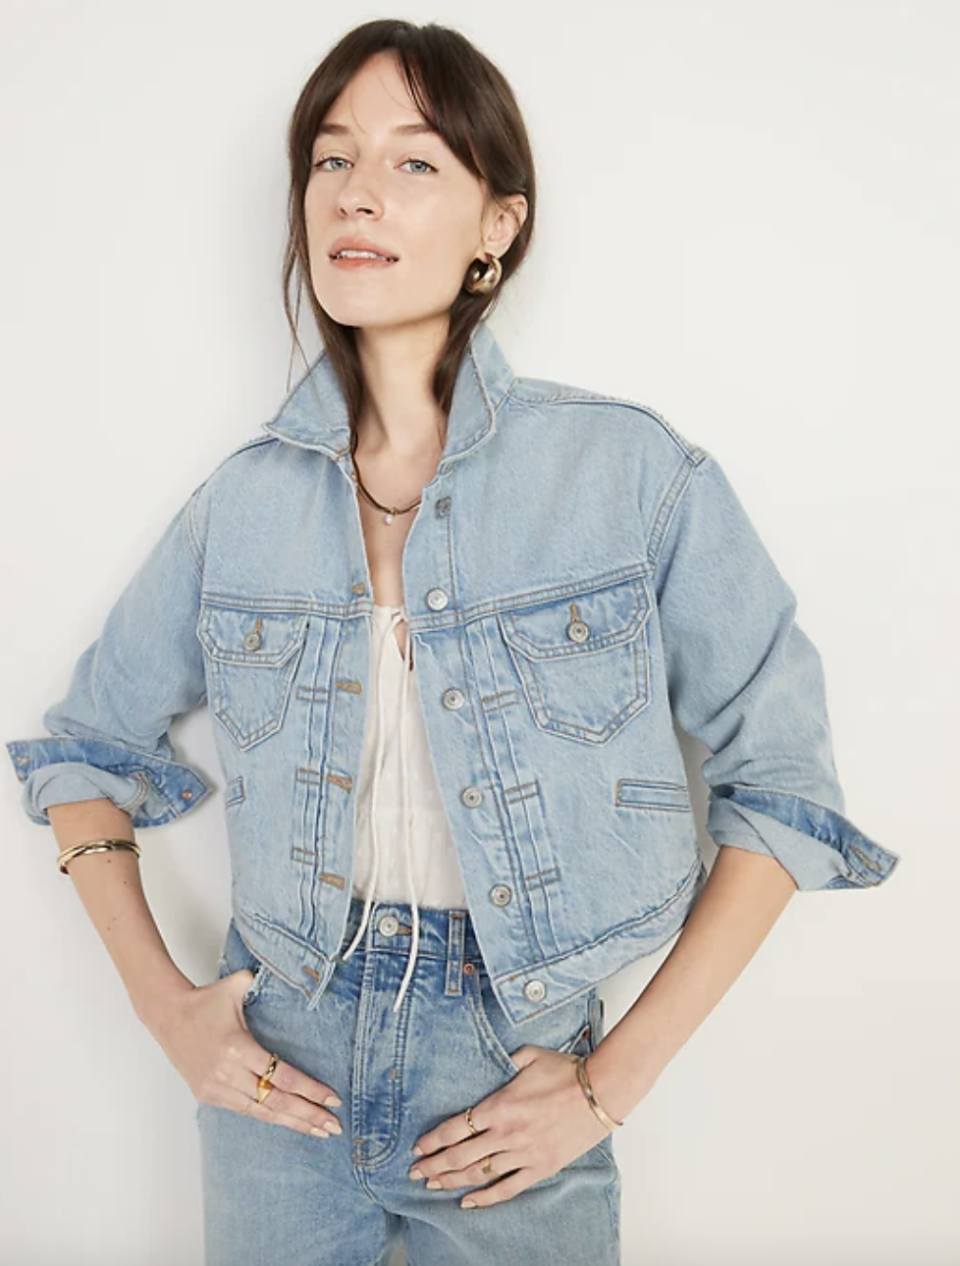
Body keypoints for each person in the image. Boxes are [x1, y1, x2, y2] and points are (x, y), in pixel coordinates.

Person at [4, 19, 902, 1266]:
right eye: (331, 159)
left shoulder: (630, 475)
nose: (358, 192)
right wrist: (166, 1012)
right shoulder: (244, 504)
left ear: (500, 223)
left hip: (514, 1065)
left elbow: (788, 792)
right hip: (280, 1071)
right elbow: (83, 754)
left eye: (415, 162)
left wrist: (606, 1087)